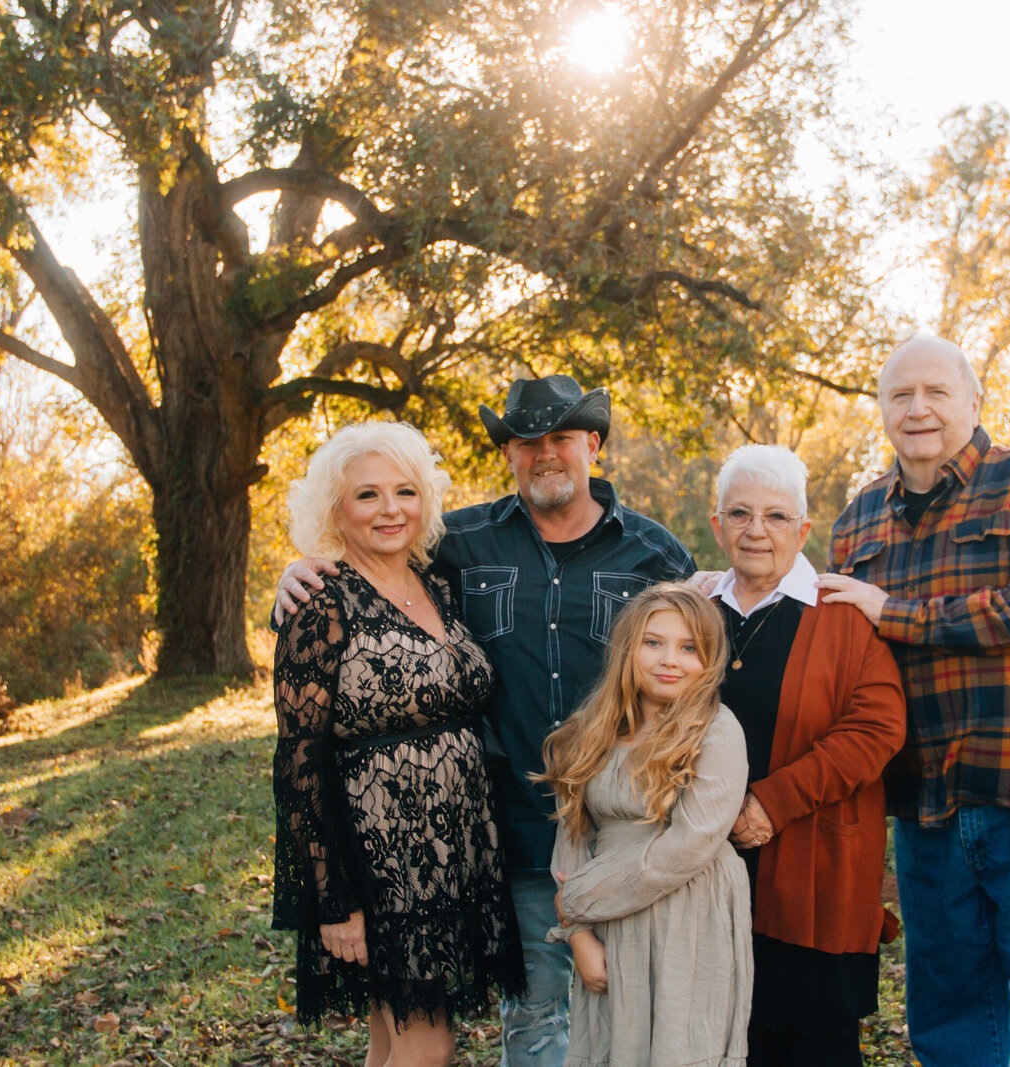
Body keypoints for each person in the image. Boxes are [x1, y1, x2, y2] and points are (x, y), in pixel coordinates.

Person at [273, 375, 695, 1065]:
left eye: (562, 436)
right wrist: (293, 582)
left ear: (593, 443)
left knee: (635, 1015)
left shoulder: (655, 554)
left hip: (623, 831)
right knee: (530, 1024)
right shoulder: (463, 545)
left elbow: (701, 670)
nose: (546, 454)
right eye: (527, 441)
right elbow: (354, 589)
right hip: (506, 836)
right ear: (507, 454)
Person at [816, 333, 1010, 1066]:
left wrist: (896, 612)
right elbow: (838, 657)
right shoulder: (856, 524)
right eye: (900, 395)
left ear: (974, 401)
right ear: (882, 411)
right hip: (924, 805)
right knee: (948, 1017)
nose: (918, 409)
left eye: (936, 392)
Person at [270, 421, 522, 1066]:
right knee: (428, 1046)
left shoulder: (439, 588)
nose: (390, 509)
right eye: (367, 495)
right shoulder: (321, 605)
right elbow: (301, 763)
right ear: (334, 510)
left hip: (453, 856)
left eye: (405, 492)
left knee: (394, 1041)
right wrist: (333, 901)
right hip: (383, 865)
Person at [703, 444, 907, 1066]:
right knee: (720, 1043)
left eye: (776, 516)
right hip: (707, 872)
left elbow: (876, 729)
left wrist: (773, 800)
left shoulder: (842, 614)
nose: (756, 531)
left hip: (812, 867)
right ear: (717, 525)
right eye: (739, 514)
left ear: (805, 529)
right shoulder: (694, 611)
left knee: (810, 1043)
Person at [538, 583, 752, 1067]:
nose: (668, 660)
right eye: (653, 643)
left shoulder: (717, 729)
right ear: (627, 650)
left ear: (709, 658)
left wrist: (576, 901)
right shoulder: (592, 729)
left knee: (680, 1046)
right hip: (609, 923)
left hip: (689, 913)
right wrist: (577, 934)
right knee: (616, 1046)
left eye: (688, 647)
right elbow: (572, 832)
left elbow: (691, 843)